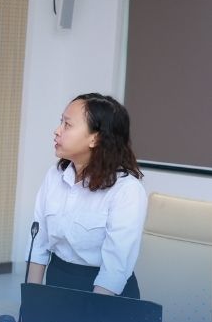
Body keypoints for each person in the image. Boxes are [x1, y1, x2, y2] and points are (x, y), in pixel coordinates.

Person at [28, 93, 147, 298]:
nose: (57, 131)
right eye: (61, 122)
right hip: (58, 281)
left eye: (67, 125)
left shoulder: (127, 189)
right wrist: (32, 299)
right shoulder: (54, 176)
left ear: (95, 138)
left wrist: (91, 312)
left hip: (104, 294)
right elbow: (38, 243)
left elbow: (114, 270)